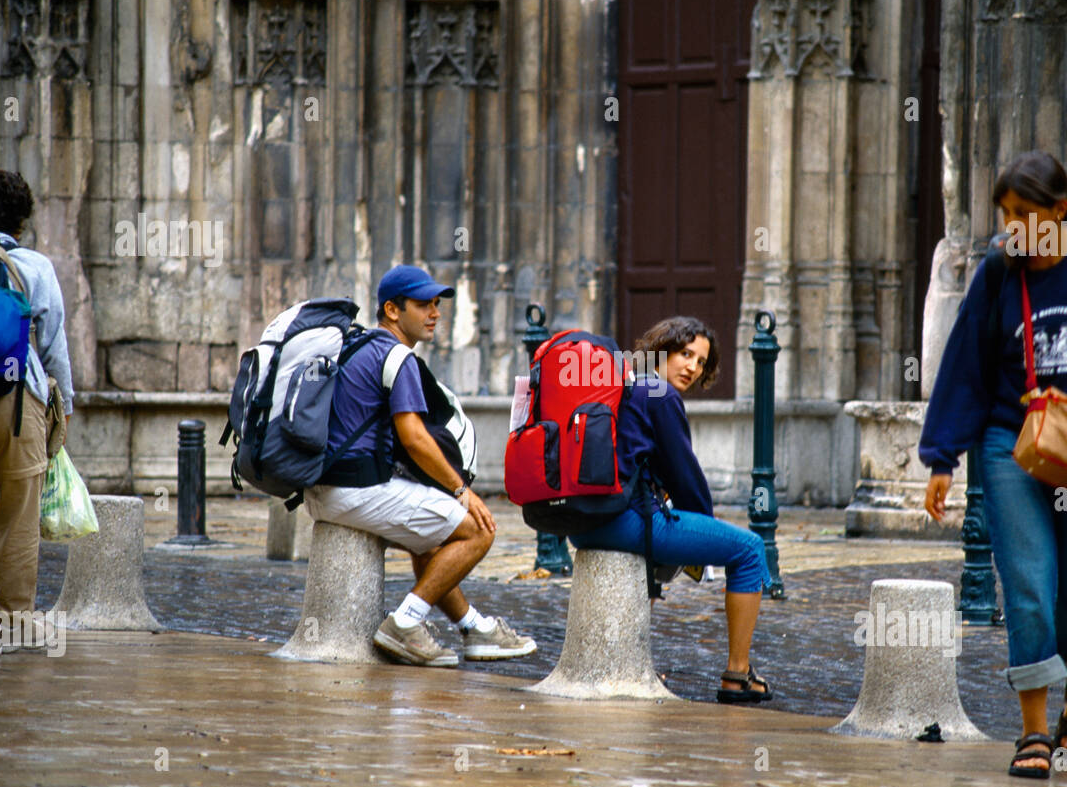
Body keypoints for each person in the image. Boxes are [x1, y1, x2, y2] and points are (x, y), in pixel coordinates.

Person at [919, 151, 1067, 778]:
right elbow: (965, 365)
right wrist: (942, 457)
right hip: (1010, 444)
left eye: (1024, 214)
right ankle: (1030, 733)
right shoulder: (999, 274)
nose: (1011, 226)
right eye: (1005, 214)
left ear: (1062, 210)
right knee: (1027, 585)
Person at [303, 264, 535, 667]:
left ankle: (476, 630)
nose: (435, 312)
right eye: (422, 304)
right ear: (392, 310)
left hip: (321, 489)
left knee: (433, 532)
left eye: (436, 303)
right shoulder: (398, 357)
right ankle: (404, 624)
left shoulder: (356, 346)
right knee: (478, 530)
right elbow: (413, 437)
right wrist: (462, 491)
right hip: (355, 491)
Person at [568, 316, 774, 704]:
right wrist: (704, 530)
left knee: (658, 545)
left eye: (700, 361)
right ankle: (737, 673)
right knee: (748, 550)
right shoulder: (660, 394)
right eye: (684, 353)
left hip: (582, 522)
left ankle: (627, 658)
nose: (692, 367)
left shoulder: (627, 386)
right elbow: (685, 476)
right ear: (661, 351)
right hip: (621, 520)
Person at [0, 168, 75, 658]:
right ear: (21, 219)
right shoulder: (33, 265)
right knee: (17, 514)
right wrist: (63, 410)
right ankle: (13, 621)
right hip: (15, 401)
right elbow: (53, 347)